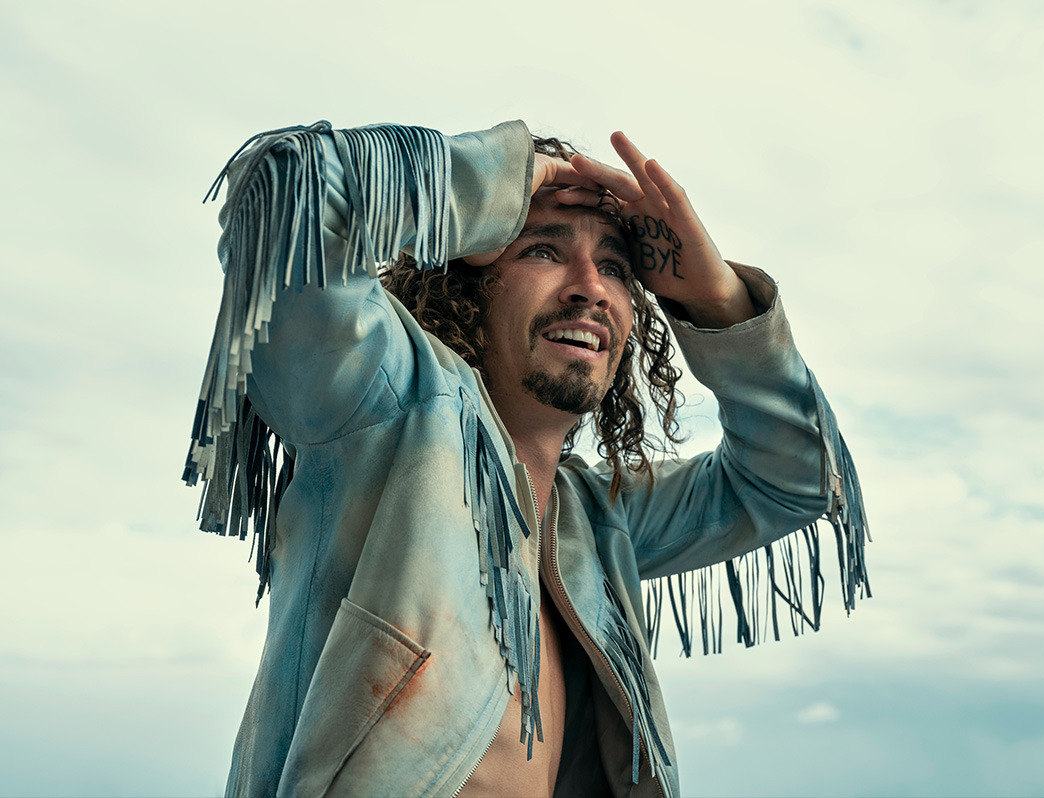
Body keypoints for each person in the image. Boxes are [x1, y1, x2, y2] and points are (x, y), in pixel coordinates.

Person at [184, 119, 869, 798]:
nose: (589, 287)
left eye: (616, 267)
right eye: (544, 249)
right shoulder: (384, 409)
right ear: (468, 275)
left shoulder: (593, 526)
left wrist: (716, 297)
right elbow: (285, 198)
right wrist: (508, 180)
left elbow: (797, 478)